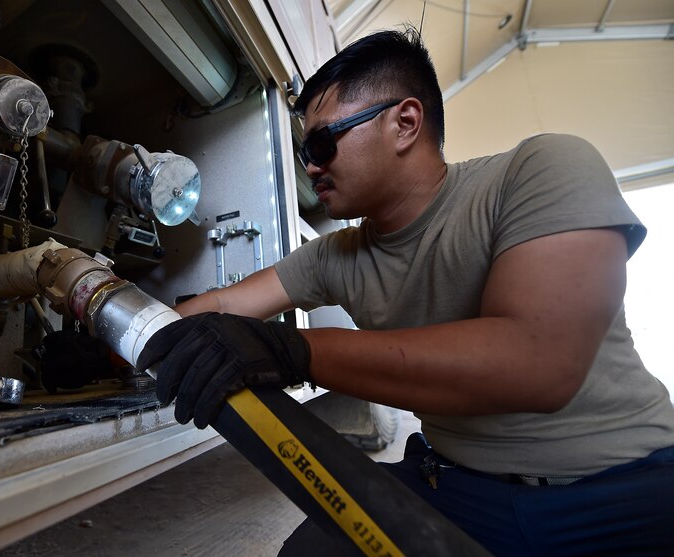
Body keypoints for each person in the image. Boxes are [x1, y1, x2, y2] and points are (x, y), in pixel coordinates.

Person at [142, 28, 674, 555]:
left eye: (324, 142)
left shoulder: (541, 170)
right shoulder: (337, 255)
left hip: (621, 490)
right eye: (306, 148)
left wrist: (292, 351)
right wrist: (131, 331)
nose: (310, 165)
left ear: (405, 123)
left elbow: (539, 362)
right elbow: (213, 313)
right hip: (459, 487)